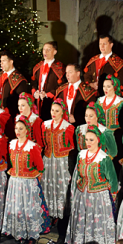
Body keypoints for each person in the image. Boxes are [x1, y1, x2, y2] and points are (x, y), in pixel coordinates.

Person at [67, 126, 119, 244]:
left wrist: (112, 195)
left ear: (98, 140)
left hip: (98, 196)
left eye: (91, 140)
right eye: (86, 139)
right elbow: (78, 174)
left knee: (96, 221)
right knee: (82, 219)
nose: (88, 142)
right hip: (82, 193)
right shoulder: (81, 154)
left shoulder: (104, 158)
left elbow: (112, 180)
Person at [3, 116, 51, 244]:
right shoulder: (12, 144)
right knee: (18, 208)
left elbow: (40, 166)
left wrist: (34, 180)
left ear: (27, 130)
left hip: (28, 182)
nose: (18, 131)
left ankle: (31, 235)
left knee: (29, 208)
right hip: (15, 181)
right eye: (16, 128)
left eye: (21, 128)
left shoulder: (32, 146)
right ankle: (20, 233)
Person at [40, 99, 75, 232]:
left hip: (61, 160)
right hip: (49, 159)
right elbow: (44, 141)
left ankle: (61, 213)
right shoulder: (45, 125)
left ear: (62, 112)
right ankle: (50, 211)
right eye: (52, 110)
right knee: (49, 184)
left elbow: (71, 145)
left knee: (61, 185)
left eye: (57, 111)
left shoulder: (68, 127)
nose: (54, 113)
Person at [30, 41, 65, 120]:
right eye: (44, 49)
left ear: (55, 52)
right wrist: (35, 92)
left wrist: (47, 95)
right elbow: (33, 82)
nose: (45, 52)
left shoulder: (60, 67)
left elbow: (61, 87)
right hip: (37, 102)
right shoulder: (37, 66)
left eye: (48, 50)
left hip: (51, 103)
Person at [0, 51, 30, 116]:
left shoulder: (19, 79)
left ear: (11, 62)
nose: (1, 63)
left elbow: (21, 100)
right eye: (0, 61)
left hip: (11, 114)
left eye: (4, 61)